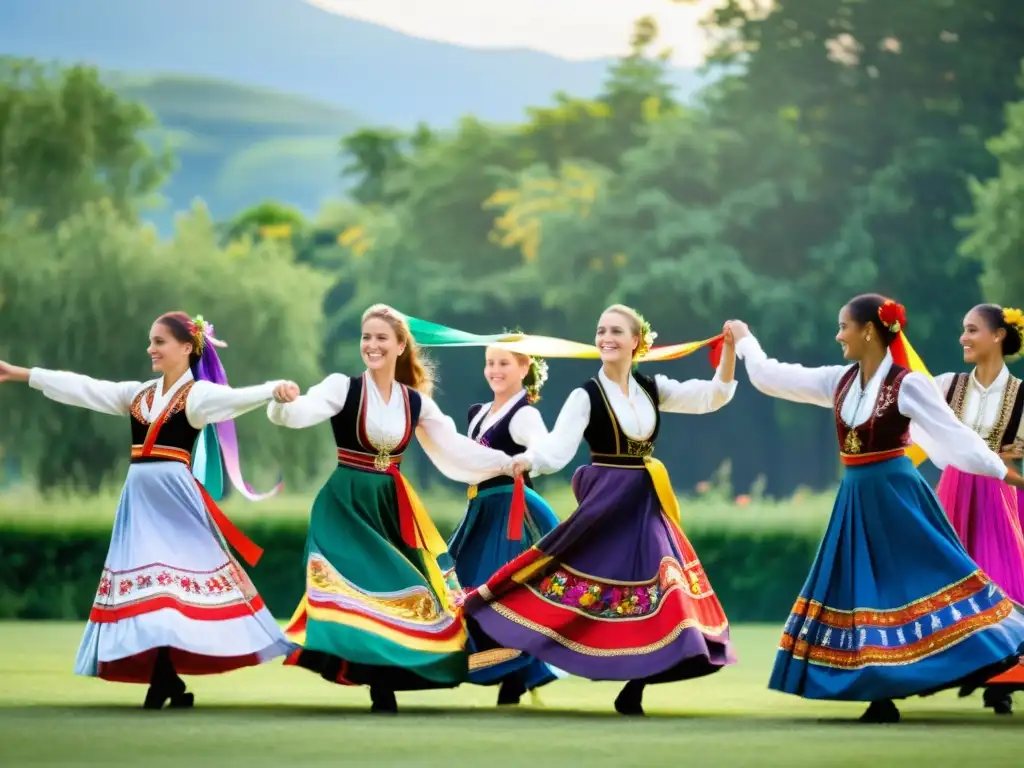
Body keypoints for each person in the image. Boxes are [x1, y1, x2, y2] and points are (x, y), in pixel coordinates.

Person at [726, 294, 1024, 723]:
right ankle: (880, 693)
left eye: (844, 326)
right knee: (861, 592)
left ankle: (995, 648)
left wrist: (1002, 471)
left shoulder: (909, 384)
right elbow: (776, 378)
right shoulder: (839, 380)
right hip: (856, 496)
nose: (838, 334)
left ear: (868, 331)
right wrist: (746, 341)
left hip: (896, 495)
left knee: (920, 581)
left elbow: (954, 436)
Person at [0, 312, 297, 709]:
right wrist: (20, 373)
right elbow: (84, 388)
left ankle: (165, 680)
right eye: (151, 341)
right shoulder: (139, 395)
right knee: (150, 591)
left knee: (169, 590)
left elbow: (235, 398)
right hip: (138, 502)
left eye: (159, 341)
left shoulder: (198, 395)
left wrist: (275, 389)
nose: (151, 348)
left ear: (186, 348)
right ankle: (166, 680)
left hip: (175, 501)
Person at [464, 304, 739, 716]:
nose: (606, 338)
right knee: (578, 583)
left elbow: (711, 396)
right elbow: (558, 448)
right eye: (600, 331)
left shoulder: (652, 387)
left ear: (636, 342)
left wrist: (730, 350)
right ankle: (493, 622)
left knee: (666, 591)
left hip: (646, 503)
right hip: (607, 504)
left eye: (615, 331)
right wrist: (527, 461)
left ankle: (635, 688)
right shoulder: (585, 395)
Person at [266, 303, 523, 714]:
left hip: (391, 506)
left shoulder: (415, 402)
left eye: (382, 337)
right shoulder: (341, 387)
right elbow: (300, 414)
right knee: (359, 587)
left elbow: (457, 449)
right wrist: (282, 402)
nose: (372, 345)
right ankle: (378, 684)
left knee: (410, 590)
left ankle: (393, 674)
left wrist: (509, 464)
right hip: (345, 506)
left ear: (401, 345)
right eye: (367, 337)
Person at [447, 346, 562, 705]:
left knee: (504, 592)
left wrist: (527, 459)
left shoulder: (524, 415)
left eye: (503, 363)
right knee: (462, 588)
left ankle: (517, 671)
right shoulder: (477, 413)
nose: (494, 370)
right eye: (490, 363)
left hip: (510, 514)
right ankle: (505, 669)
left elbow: (541, 445)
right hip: (480, 511)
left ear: (524, 367)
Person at [931, 304, 1024, 715]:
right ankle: (960, 668)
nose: (963, 338)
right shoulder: (946, 385)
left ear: (998, 335)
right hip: (953, 489)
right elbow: (900, 395)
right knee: (945, 581)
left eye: (972, 330)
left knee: (1001, 581)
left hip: (1001, 493)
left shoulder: (1021, 395)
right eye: (963, 330)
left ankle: (1000, 679)